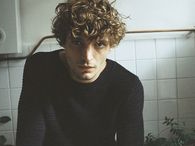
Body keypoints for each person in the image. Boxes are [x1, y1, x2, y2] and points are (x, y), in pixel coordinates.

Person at [16, 0, 144, 146]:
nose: (87, 57)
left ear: (111, 45)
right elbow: (28, 138)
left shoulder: (128, 86)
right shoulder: (39, 69)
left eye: (99, 44)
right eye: (77, 42)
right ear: (63, 42)